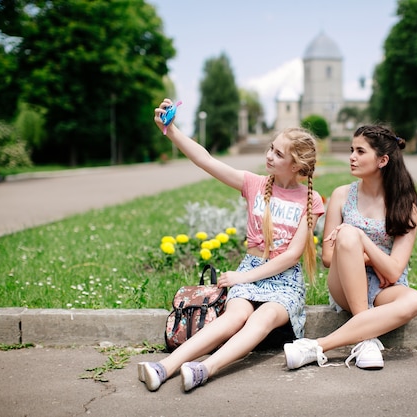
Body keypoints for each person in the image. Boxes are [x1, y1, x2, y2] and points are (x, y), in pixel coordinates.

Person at [138, 98, 324, 392]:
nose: (269, 156)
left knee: (261, 319)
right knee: (235, 315)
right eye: (270, 148)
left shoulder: (311, 200)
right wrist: (170, 130)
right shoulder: (254, 184)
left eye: (278, 153)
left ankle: (204, 369)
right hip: (251, 268)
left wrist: (241, 277)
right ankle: (165, 367)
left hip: (284, 282)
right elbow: (206, 160)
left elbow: (291, 256)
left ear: (296, 164)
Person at [284, 124, 417, 370]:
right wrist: (362, 248)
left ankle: (316, 346)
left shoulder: (406, 206)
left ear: (382, 160)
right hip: (344, 282)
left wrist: (365, 248)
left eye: (360, 151)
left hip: (386, 287)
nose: (351, 157)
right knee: (349, 235)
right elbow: (328, 257)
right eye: (352, 150)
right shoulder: (342, 195)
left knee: (415, 300)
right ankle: (365, 335)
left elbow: (393, 273)